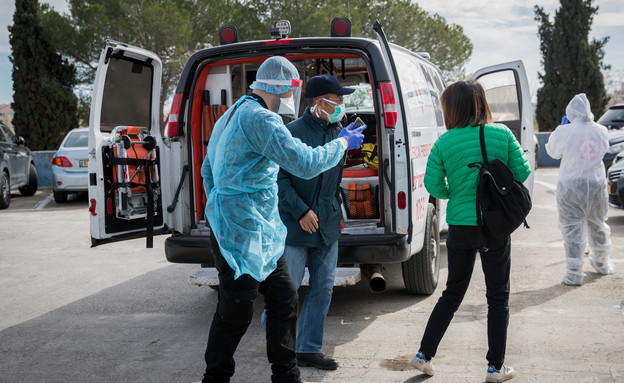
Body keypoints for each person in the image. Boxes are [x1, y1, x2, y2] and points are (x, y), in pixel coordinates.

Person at [200, 56, 365, 383]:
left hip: (250, 228)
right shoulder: (263, 120)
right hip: (241, 232)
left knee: (284, 297)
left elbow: (208, 170)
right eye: (293, 87)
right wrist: (343, 142)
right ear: (285, 87)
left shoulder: (230, 113)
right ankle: (215, 377)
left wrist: (221, 207)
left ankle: (286, 375)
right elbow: (303, 164)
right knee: (235, 311)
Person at [410, 80, 531, 383]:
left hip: (461, 226)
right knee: (498, 297)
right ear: (481, 104)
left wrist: (457, 190)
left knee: (452, 293)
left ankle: (424, 355)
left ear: (451, 109)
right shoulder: (502, 133)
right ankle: (495, 368)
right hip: (495, 225)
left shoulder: (444, 142)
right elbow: (523, 171)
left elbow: (434, 186)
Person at [275, 74, 359, 370]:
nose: (341, 106)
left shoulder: (338, 132)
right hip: (296, 226)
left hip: (327, 224)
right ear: (320, 103)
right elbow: (279, 180)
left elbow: (332, 179)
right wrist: (300, 211)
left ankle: (308, 349)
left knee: (323, 287)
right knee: (287, 291)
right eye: (337, 101)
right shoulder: (290, 132)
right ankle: (280, 344)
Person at [545, 93, 614, 286]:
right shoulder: (601, 130)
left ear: (569, 112)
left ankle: (574, 274)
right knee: (598, 224)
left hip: (571, 186)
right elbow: (604, 149)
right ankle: (603, 264)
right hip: (596, 184)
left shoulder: (564, 131)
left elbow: (552, 151)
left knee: (572, 229)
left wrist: (563, 129)